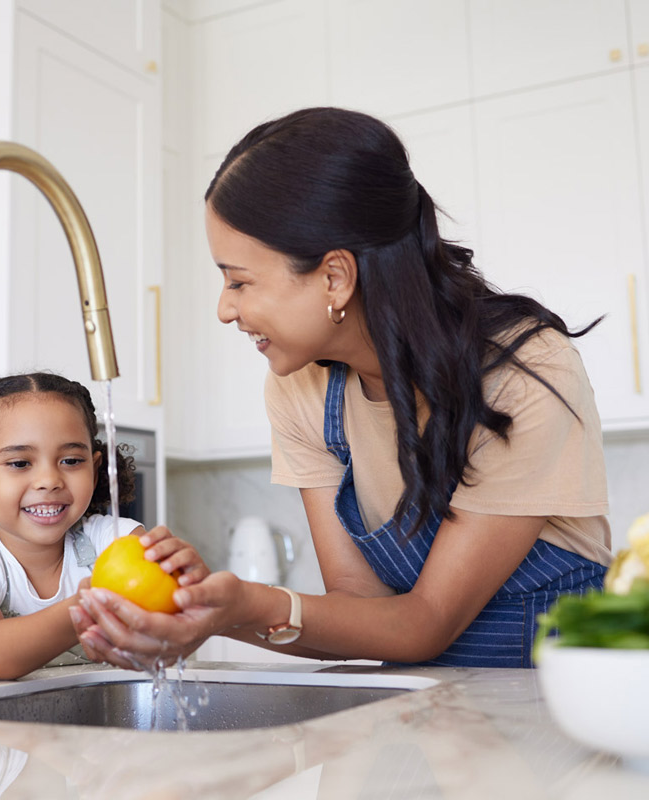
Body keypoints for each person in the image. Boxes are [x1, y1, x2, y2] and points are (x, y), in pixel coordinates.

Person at [72, 107, 611, 670]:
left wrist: (243, 606)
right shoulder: (300, 388)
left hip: (549, 715)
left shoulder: (524, 372)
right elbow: (360, 610)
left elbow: (423, 623)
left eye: (239, 281)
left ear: (334, 277)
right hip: (419, 713)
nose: (225, 309)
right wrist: (209, 610)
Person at [0, 372, 207, 680]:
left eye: (71, 461)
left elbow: (170, 619)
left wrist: (185, 582)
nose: (50, 481)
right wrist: (89, 605)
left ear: (94, 467)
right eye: (20, 463)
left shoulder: (114, 539)